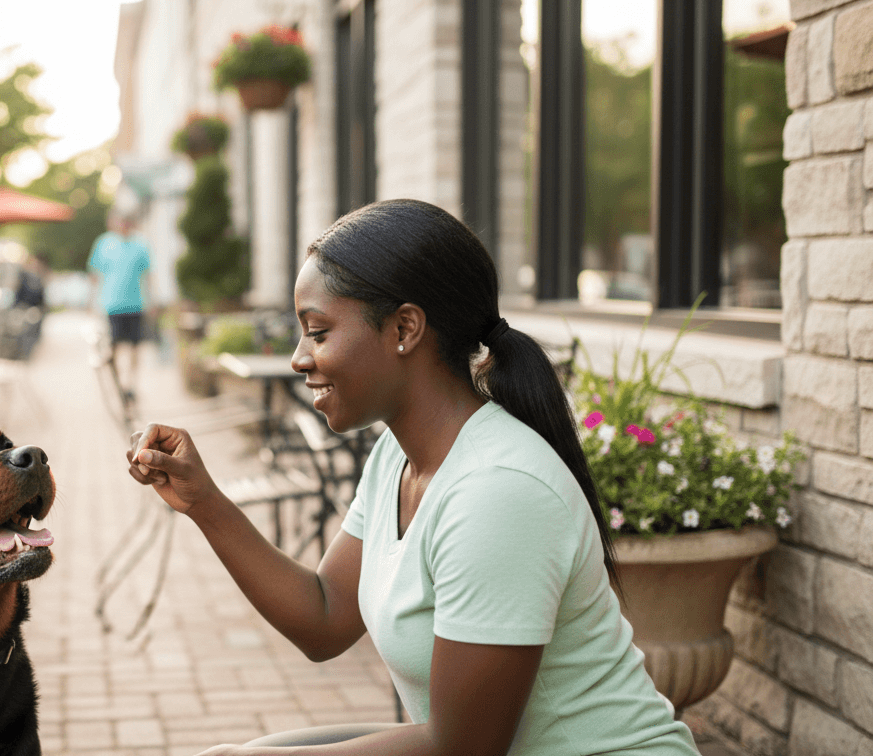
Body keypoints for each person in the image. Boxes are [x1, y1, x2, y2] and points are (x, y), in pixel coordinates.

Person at [125, 199, 700, 755]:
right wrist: (204, 502)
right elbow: (324, 618)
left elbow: (463, 746)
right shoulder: (395, 458)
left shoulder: (498, 492)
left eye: (318, 332)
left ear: (405, 328)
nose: (299, 357)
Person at [88, 210, 152, 404]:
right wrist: (92, 303)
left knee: (134, 348)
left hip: (135, 304)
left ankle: (130, 385)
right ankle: (117, 385)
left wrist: (152, 301)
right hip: (112, 305)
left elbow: (148, 276)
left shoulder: (141, 245)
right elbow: (95, 274)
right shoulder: (104, 244)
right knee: (113, 349)